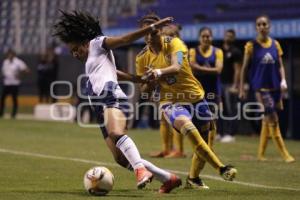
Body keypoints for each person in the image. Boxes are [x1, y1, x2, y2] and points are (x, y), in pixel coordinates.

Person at [53, 10, 181, 193]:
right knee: (120, 158)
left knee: (115, 132)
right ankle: (168, 178)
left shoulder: (97, 43)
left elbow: (124, 40)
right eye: (71, 52)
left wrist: (153, 28)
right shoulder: (93, 61)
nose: (74, 54)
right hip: (99, 106)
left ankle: (140, 170)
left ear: (84, 42)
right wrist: (138, 79)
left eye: (75, 49)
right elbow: (116, 72)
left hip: (111, 96)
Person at [135, 13, 237, 190]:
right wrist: (149, 82)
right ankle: (221, 168)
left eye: (152, 31)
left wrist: (157, 73)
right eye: (145, 32)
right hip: (170, 101)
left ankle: (193, 179)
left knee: (205, 140)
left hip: (195, 97)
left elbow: (176, 67)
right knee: (188, 128)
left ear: (159, 31)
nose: (149, 36)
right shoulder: (141, 58)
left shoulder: (176, 44)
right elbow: (143, 90)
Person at [239, 15, 295, 163]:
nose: (262, 27)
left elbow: (280, 65)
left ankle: (261, 154)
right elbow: (244, 68)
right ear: (256, 27)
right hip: (260, 88)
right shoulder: (251, 45)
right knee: (273, 117)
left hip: (275, 86)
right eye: (259, 24)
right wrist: (242, 87)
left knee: (266, 118)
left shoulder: (275, 44)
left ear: (269, 26)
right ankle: (285, 154)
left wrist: (283, 80)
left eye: (264, 24)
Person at [149, 23, 186, 158]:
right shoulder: (162, 52)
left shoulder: (179, 51)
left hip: (177, 88)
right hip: (165, 88)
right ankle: (166, 149)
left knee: (176, 118)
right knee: (163, 118)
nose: (167, 38)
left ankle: (179, 150)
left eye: (171, 35)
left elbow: (178, 69)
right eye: (164, 35)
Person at [219, 29, 243, 143]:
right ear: (224, 36)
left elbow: (238, 70)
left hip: (229, 84)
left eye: (230, 36)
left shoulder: (236, 52)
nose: (228, 37)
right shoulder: (219, 50)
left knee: (230, 109)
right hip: (219, 83)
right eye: (226, 35)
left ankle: (231, 134)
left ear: (233, 38)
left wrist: (235, 85)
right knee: (220, 109)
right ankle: (221, 132)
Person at [0, 49, 30, 118]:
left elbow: (27, 70)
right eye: (8, 54)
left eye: (11, 54)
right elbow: (4, 71)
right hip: (7, 83)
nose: (9, 56)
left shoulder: (18, 62)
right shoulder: (5, 62)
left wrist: (20, 75)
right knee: (2, 98)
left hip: (15, 83)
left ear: (14, 55)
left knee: (14, 98)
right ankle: (1, 112)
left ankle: (13, 114)